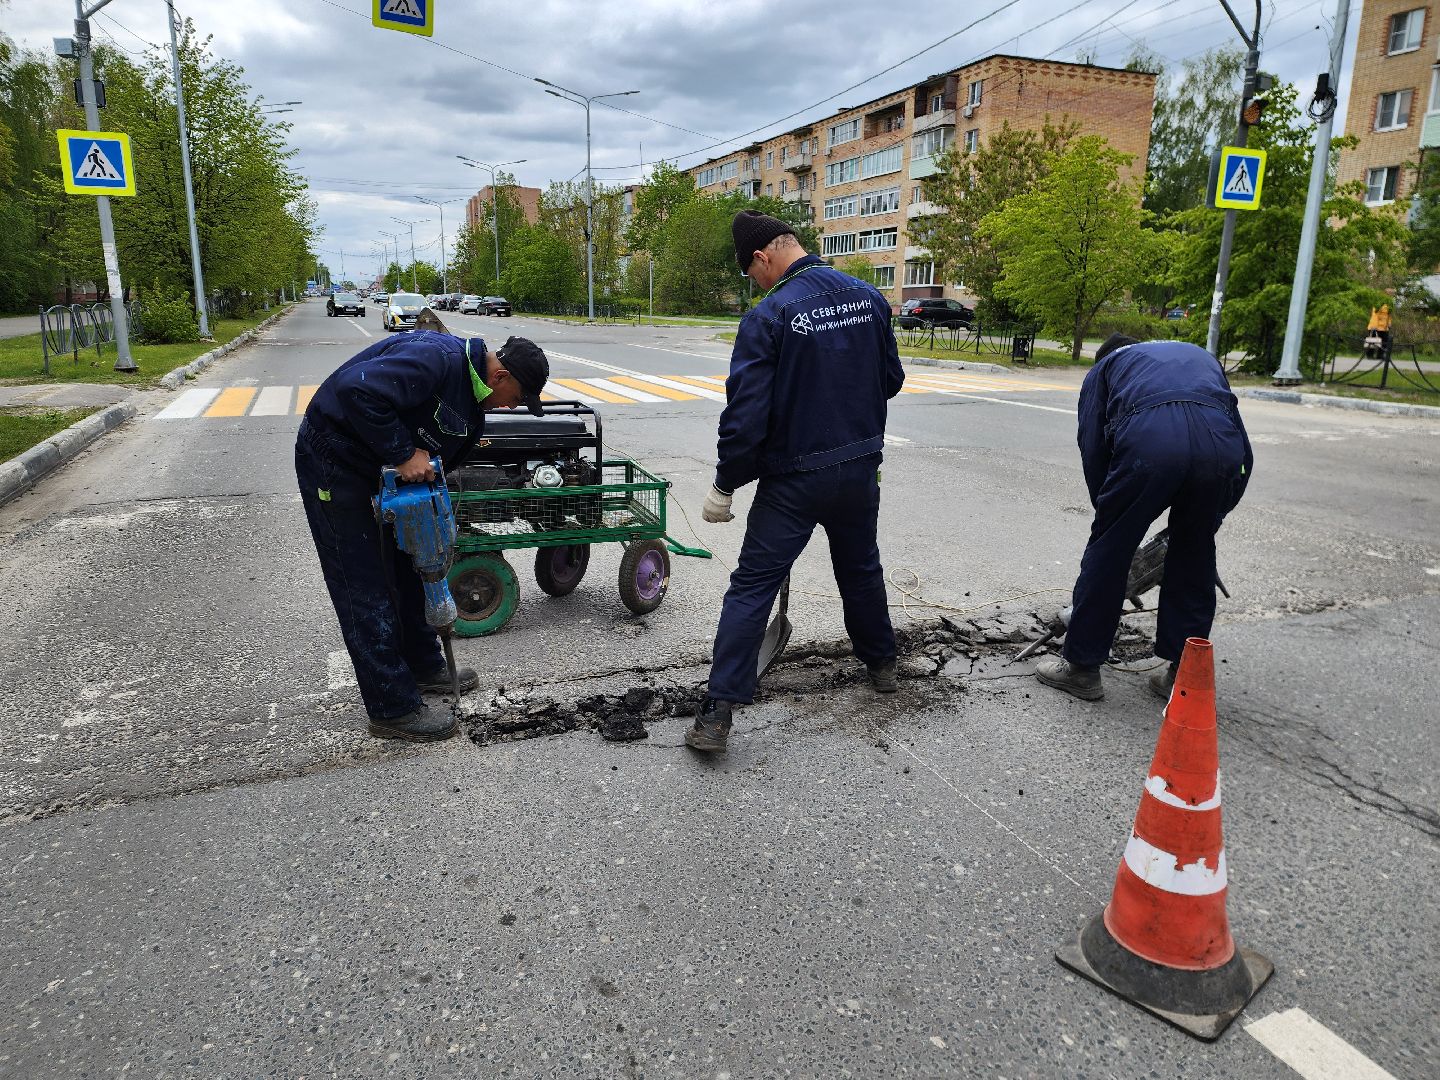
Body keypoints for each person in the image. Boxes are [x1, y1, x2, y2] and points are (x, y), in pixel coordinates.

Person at [687, 210, 905, 753]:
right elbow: (892, 381)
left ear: (763, 257)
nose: (754, 282)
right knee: (860, 568)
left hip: (793, 481)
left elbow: (746, 416)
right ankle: (882, 665)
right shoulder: (868, 298)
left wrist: (726, 483)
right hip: (859, 470)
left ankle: (718, 713)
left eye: (750, 272)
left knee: (754, 584)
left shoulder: (770, 316)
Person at [296, 328, 549, 742]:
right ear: (501, 377)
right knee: (363, 583)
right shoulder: (436, 358)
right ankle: (391, 708)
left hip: (381, 475)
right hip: (335, 462)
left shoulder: (472, 402)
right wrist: (402, 452)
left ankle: (421, 663)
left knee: (410, 567)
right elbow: (354, 391)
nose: (513, 406)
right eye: (517, 397)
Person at [1037, 334, 1253, 702]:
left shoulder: (1104, 368)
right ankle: (1183, 676)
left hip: (1151, 445)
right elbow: (1243, 450)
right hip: (1220, 451)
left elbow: (1093, 446)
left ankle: (1082, 668)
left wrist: (1110, 520)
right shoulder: (1200, 357)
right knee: (1194, 556)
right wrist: (1210, 520)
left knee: (1109, 553)